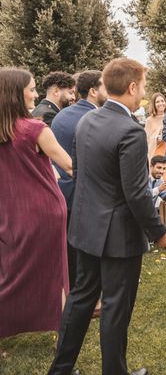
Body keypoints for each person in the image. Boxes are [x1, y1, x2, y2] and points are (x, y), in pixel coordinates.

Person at [48, 58, 166, 375]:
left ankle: (60, 370)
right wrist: (161, 233)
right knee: (115, 308)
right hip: (119, 236)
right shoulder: (131, 132)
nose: (145, 93)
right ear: (132, 87)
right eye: (144, 87)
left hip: (84, 228)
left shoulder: (86, 122)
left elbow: (80, 176)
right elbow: (136, 193)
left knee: (81, 299)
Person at [0, 68, 72, 340]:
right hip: (44, 212)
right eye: (31, 88)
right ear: (16, 94)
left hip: (8, 212)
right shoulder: (35, 129)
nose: (35, 94)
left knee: (10, 274)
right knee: (55, 275)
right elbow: (69, 166)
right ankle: (63, 333)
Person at [51, 70, 107, 289]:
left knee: (71, 250)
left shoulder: (63, 114)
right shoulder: (92, 118)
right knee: (86, 251)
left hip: (62, 191)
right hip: (83, 192)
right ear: (93, 91)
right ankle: (87, 296)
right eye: (104, 87)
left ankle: (72, 290)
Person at [144, 92, 166, 162]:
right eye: (157, 102)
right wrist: (156, 138)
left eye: (162, 101)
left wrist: (164, 137)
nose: (161, 103)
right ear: (154, 104)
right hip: (155, 153)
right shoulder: (149, 120)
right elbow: (147, 139)